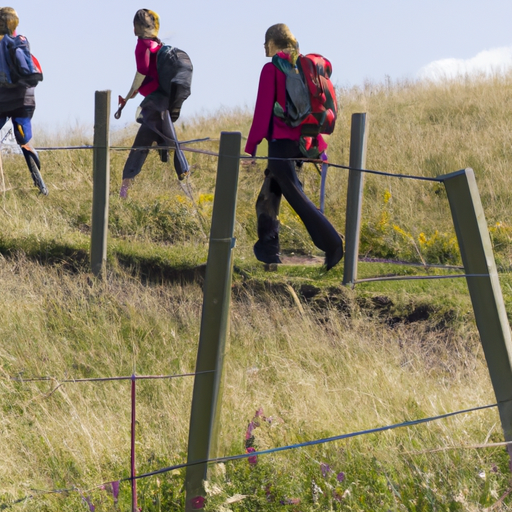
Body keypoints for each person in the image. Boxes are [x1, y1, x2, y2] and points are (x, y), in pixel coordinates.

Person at [245, 23, 343, 270]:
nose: (263, 47)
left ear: (273, 43)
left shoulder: (272, 69)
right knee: (267, 197)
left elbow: (262, 112)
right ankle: (268, 252)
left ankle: (333, 244)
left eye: (266, 42)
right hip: (301, 144)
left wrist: (251, 149)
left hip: (280, 146)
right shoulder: (302, 66)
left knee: (297, 198)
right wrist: (319, 148)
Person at [118, 9, 192, 198]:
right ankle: (183, 179)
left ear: (136, 27)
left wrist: (129, 95)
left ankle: (125, 189)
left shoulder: (142, 45)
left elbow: (141, 72)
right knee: (157, 134)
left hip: (156, 99)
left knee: (147, 139)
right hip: (163, 97)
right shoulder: (156, 44)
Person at [0, 7, 47, 195]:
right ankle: (41, 186)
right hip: (25, 97)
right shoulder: (21, 40)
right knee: (23, 138)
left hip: (3, 99)